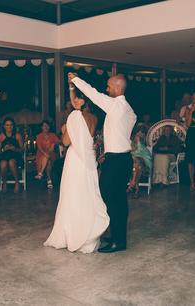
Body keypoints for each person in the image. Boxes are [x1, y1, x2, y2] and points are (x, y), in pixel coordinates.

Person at [69, 72, 136, 253]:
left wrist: (75, 79)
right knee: (118, 200)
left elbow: (92, 93)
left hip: (116, 160)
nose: (106, 89)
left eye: (108, 86)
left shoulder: (116, 105)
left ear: (117, 88)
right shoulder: (129, 110)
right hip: (123, 159)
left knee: (111, 199)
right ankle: (117, 236)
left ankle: (118, 241)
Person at [44, 82, 109, 253]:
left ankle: (72, 234)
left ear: (80, 101)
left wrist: (65, 129)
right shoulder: (94, 118)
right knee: (87, 195)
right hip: (89, 159)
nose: (71, 103)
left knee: (72, 196)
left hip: (75, 160)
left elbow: (66, 142)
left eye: (73, 100)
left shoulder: (74, 117)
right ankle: (88, 234)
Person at [0, 117, 24, 193]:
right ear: (4, 126)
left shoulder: (17, 136)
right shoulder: (0, 137)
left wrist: (15, 149)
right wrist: (3, 149)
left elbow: (22, 150)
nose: (9, 127)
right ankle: (4, 183)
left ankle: (17, 182)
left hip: (15, 155)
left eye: (11, 125)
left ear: (13, 126)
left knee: (11, 162)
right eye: (7, 125)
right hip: (4, 155)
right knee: (3, 163)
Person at [35, 120, 60, 189]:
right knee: (47, 160)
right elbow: (39, 147)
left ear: (49, 127)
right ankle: (49, 180)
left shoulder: (52, 135)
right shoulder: (39, 136)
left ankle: (40, 173)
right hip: (41, 154)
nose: (46, 127)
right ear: (41, 127)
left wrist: (54, 144)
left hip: (51, 154)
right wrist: (45, 153)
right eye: (44, 126)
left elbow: (60, 142)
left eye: (47, 125)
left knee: (48, 158)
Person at [128, 125, 152, 198]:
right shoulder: (130, 140)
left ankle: (133, 185)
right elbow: (130, 151)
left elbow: (142, 152)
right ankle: (135, 187)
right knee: (136, 166)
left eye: (143, 133)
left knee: (137, 162)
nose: (142, 134)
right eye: (140, 132)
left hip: (144, 161)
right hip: (134, 164)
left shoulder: (141, 141)